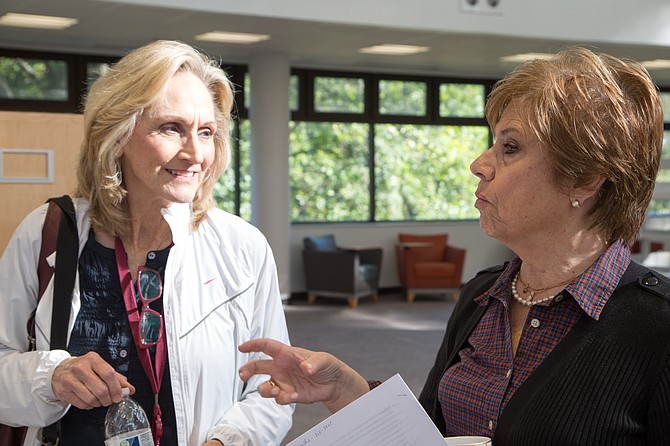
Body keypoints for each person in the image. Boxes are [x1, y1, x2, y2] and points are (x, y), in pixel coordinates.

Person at [238, 46, 670, 445]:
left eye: (510, 148)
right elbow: (429, 434)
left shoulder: (658, 326)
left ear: (585, 178)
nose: (478, 164)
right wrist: (346, 388)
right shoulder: (482, 296)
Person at [0, 40, 293, 445]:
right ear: (118, 135)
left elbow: (272, 389)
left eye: (205, 132)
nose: (195, 153)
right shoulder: (47, 233)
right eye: (171, 128)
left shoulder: (242, 248)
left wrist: (228, 441)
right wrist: (50, 377)